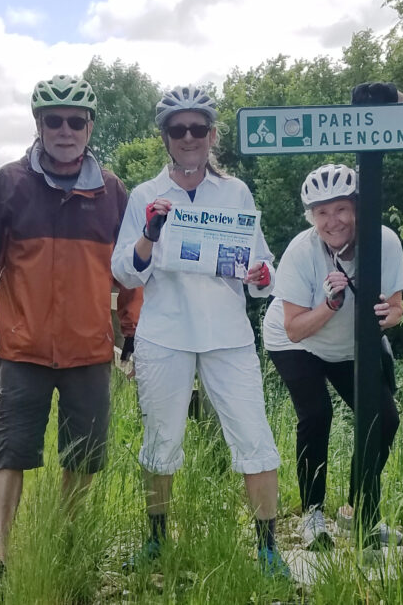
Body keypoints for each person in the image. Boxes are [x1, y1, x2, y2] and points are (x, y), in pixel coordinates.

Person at [0, 74, 143, 581]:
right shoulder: (11, 183)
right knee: (11, 451)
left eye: (75, 121)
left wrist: (133, 334)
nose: (65, 130)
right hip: (25, 348)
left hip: (89, 350)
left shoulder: (110, 191)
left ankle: (67, 545)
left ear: (89, 127)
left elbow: (130, 270)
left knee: (82, 457)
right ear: (39, 125)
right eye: (54, 120)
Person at [110, 85, 289, 577]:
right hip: (164, 334)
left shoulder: (235, 193)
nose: (188, 137)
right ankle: (156, 541)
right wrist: (149, 234)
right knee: (161, 440)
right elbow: (125, 272)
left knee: (254, 436)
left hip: (228, 335)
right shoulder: (146, 196)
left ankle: (268, 548)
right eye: (177, 129)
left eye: (197, 128)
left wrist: (261, 276)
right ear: (165, 137)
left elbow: (263, 263)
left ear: (212, 136)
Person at [262, 163, 403, 550]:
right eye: (322, 212)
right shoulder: (302, 250)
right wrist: (330, 304)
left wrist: (386, 317)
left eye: (341, 208)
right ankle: (313, 515)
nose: (332, 221)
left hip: (348, 348)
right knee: (316, 414)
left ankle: (357, 511)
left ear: (358, 207)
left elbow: (397, 307)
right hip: (295, 342)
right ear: (311, 216)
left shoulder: (384, 242)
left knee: (384, 418)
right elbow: (293, 327)